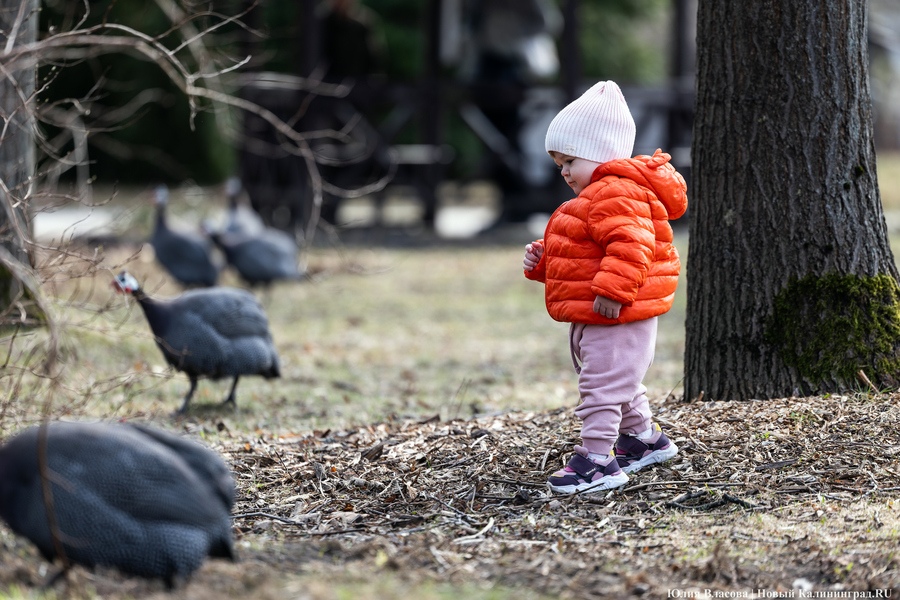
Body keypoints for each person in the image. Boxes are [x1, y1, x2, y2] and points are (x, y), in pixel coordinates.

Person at [523, 80, 687, 493]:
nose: (562, 171)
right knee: (620, 383)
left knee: (601, 387)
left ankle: (598, 460)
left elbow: (633, 245)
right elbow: (583, 256)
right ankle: (646, 440)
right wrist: (543, 262)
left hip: (619, 312)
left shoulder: (616, 193)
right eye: (558, 162)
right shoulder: (599, 195)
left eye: (569, 160)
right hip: (606, 310)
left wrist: (614, 291)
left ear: (599, 155)